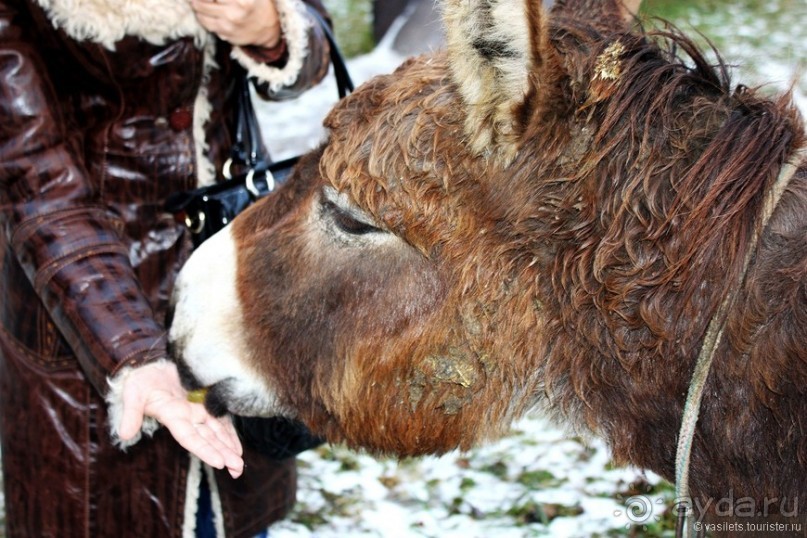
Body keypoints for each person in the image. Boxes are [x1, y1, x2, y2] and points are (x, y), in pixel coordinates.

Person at [0, 0, 331, 535]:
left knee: (237, 512)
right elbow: (34, 183)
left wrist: (274, 30)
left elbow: (310, 49)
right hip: (83, 309)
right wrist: (131, 349)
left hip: (236, 289)